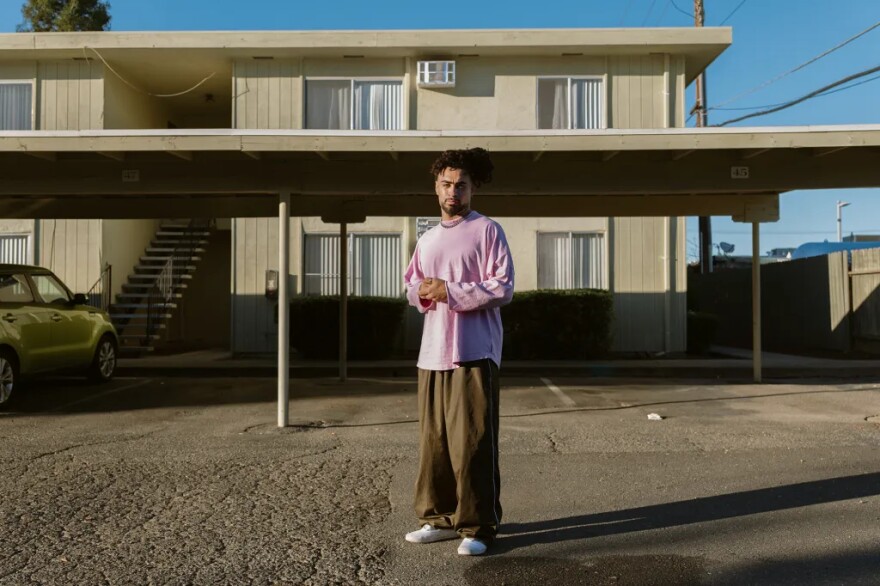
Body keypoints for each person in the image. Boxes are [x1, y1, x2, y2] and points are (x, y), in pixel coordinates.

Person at [403, 148, 515, 556]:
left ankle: (479, 526)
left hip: (474, 351)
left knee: (473, 443)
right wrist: (423, 292)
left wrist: (449, 290)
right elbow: (412, 285)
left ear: (473, 188)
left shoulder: (487, 230)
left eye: (461, 185)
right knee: (434, 441)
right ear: (436, 188)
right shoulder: (428, 238)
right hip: (431, 353)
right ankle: (436, 517)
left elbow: (502, 287)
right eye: (447, 184)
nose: (454, 191)